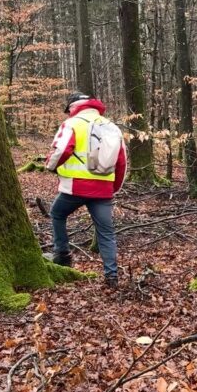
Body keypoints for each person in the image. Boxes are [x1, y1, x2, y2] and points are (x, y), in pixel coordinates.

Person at [44, 92, 127, 288]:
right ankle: (111, 276)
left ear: (72, 107)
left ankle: (62, 255)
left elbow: (61, 150)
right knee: (106, 232)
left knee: (56, 213)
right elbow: (122, 161)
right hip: (103, 189)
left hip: (75, 187)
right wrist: (112, 188)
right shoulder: (112, 127)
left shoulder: (73, 124)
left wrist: (50, 165)